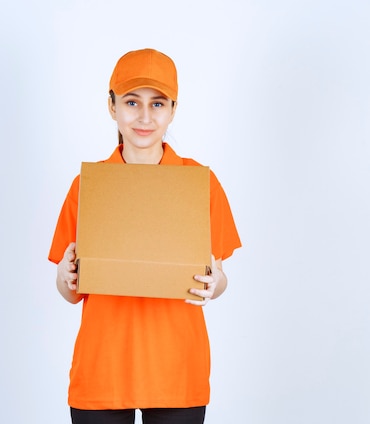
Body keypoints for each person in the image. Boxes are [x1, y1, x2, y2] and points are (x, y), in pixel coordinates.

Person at [48, 48, 242, 424]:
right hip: (102, 372)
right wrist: (63, 277)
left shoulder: (199, 183)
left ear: (173, 110)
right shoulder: (88, 187)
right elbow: (71, 291)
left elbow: (216, 281)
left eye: (158, 104)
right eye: (132, 101)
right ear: (112, 106)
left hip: (176, 371)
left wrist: (216, 283)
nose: (144, 116)